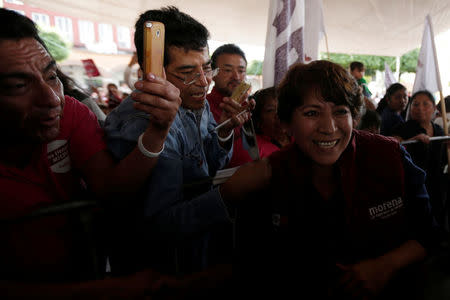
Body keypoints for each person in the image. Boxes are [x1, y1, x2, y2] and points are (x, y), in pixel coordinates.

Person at [219, 60, 440, 299]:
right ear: (286, 123)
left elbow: (428, 234)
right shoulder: (270, 173)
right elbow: (251, 263)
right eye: (312, 113)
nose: (329, 127)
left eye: (340, 112)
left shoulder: (389, 157)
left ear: (354, 117)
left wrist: (384, 266)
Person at [0, 8, 181, 298]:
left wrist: (158, 131)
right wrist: (102, 291)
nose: (52, 98)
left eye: (51, 76)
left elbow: (111, 189)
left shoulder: (71, 114)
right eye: (18, 86)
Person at [104, 6, 252, 276]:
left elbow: (205, 165)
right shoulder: (144, 123)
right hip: (156, 273)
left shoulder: (196, 103)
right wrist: (230, 194)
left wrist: (223, 131)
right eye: (187, 72)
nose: (204, 82)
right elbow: (160, 226)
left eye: (207, 68)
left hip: (196, 253)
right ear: (152, 70)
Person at [391, 90, 449, 228]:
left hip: (436, 184)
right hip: (413, 185)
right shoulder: (402, 129)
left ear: (434, 108)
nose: (420, 108)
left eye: (425, 104)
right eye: (415, 104)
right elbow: (392, 149)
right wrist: (412, 140)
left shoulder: (440, 131)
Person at [228, 86, 291, 167]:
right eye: (270, 110)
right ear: (258, 119)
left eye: (283, 107)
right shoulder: (248, 148)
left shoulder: (299, 138)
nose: (279, 114)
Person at [207, 43, 248, 123]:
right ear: (213, 73)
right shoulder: (203, 108)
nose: (236, 77)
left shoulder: (247, 106)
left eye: (241, 71)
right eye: (228, 70)